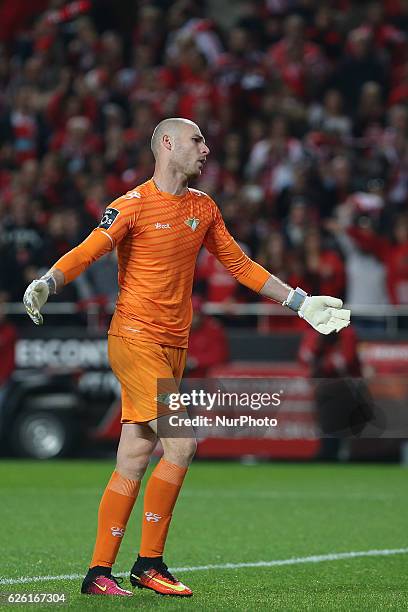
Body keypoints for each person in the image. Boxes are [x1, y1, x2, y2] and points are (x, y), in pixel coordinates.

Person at [23, 117, 350, 598]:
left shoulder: (204, 207)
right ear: (168, 144)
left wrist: (301, 303)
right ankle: (149, 563)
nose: (207, 148)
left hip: (174, 344)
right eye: (197, 140)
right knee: (182, 442)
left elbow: (239, 264)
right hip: (134, 339)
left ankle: (97, 574)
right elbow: (89, 250)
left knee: (135, 454)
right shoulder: (131, 205)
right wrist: (49, 281)